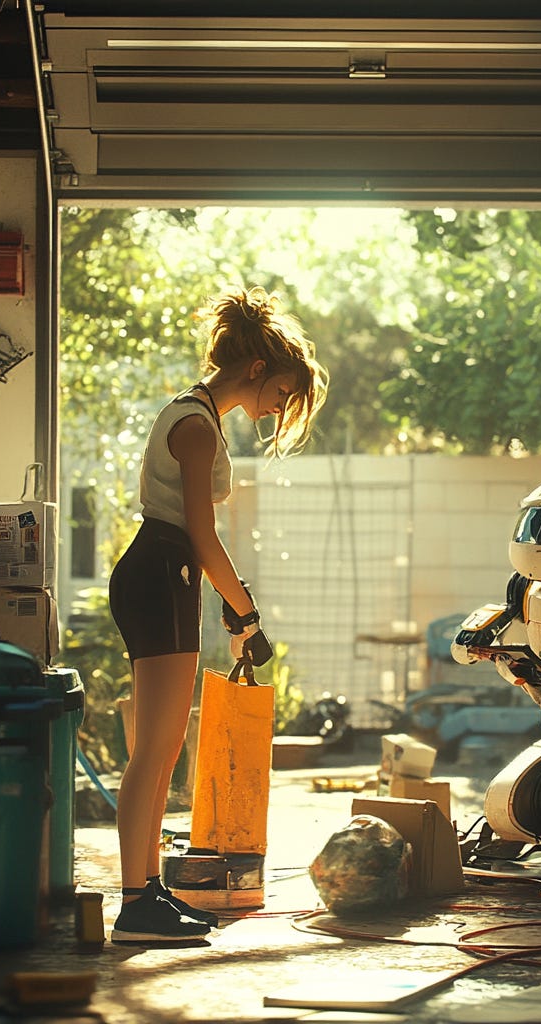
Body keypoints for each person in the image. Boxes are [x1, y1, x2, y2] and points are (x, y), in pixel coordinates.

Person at [107, 285, 329, 943]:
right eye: (284, 392)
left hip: (163, 570)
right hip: (163, 568)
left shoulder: (198, 414)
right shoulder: (197, 424)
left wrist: (235, 609)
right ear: (257, 367)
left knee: (165, 746)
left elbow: (199, 541)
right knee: (153, 752)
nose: (279, 407)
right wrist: (248, 614)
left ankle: (148, 892)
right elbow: (204, 537)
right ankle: (132, 903)